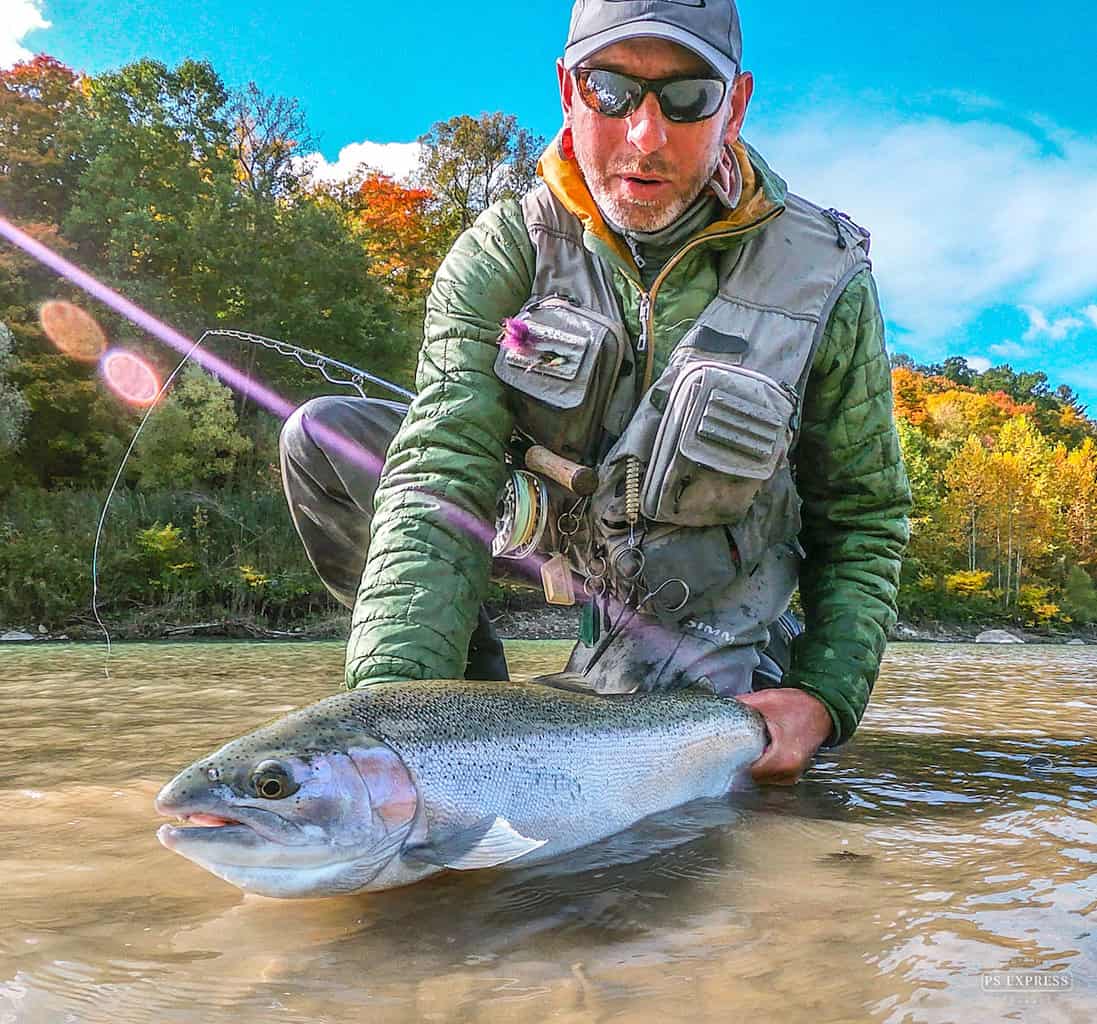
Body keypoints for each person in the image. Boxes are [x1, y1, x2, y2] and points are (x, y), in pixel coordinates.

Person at [280, 0, 911, 784]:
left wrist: (823, 696)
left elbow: (863, 514)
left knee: (680, 807)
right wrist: (394, 730)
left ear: (736, 105)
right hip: (543, 533)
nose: (645, 135)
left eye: (686, 98)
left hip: (706, 590)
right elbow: (439, 468)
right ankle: (462, 710)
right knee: (325, 435)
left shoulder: (824, 276)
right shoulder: (503, 250)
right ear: (567, 91)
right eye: (610, 89)